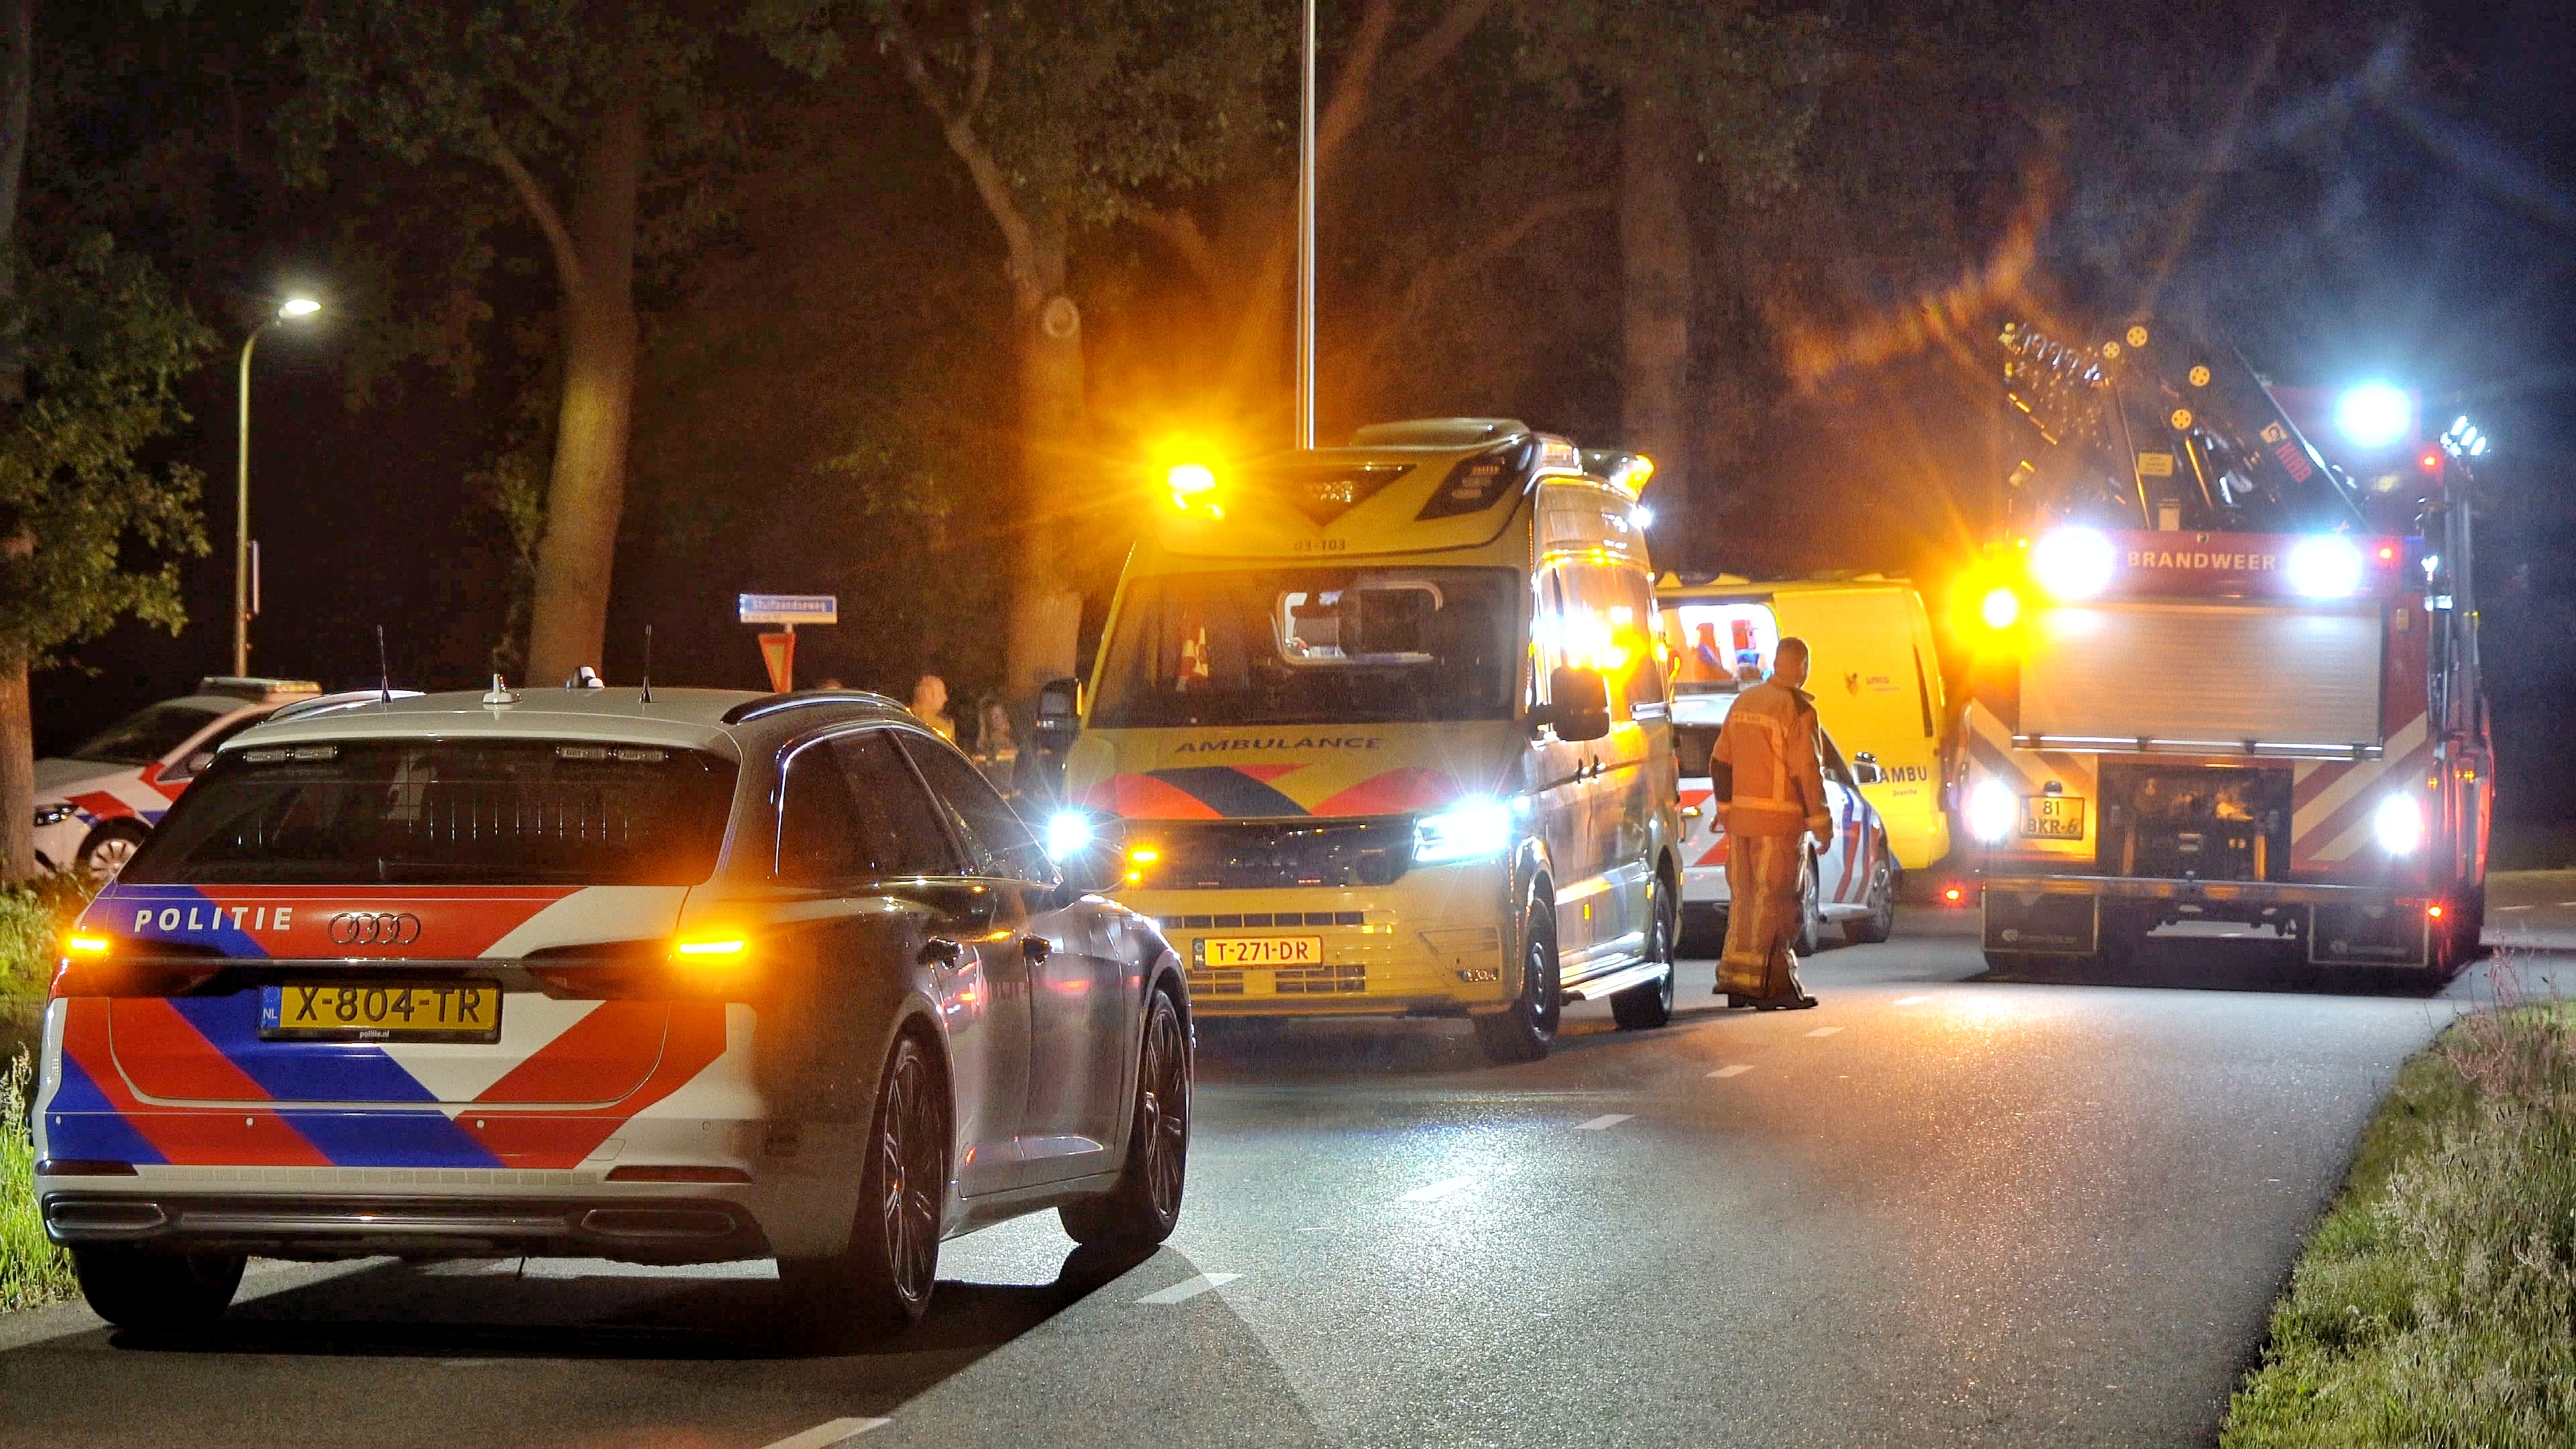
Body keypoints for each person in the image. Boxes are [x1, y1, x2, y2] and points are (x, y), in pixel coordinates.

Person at [1709, 635, 1833, 1010]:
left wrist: (1729, 812)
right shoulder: (1797, 710)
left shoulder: (1744, 701)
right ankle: (1774, 987)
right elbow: (1807, 771)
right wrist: (1821, 823)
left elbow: (1720, 762)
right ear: (1799, 666)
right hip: (1780, 825)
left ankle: (1737, 983)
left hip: (1743, 825)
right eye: (1805, 665)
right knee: (1779, 903)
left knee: (1745, 902)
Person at [909, 674, 957, 741]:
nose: (945, 698)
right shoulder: (908, 723)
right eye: (940, 694)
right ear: (927, 694)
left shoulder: (946, 725)